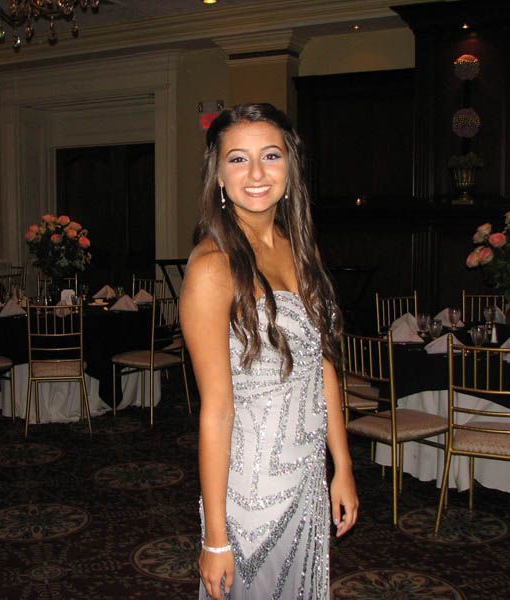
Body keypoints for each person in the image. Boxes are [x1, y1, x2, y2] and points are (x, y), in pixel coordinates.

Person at [179, 103, 358, 600]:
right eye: (238, 159)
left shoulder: (300, 249)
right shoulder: (212, 268)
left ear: (290, 167)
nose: (256, 173)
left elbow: (322, 367)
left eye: (271, 156)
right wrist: (215, 537)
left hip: (305, 480)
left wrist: (340, 466)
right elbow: (215, 412)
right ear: (218, 172)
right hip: (250, 491)